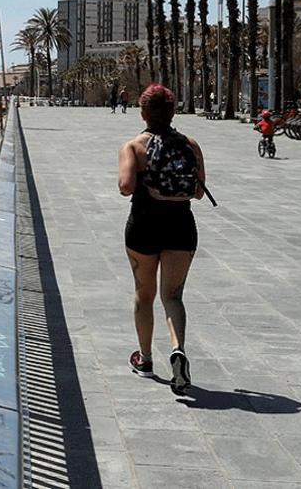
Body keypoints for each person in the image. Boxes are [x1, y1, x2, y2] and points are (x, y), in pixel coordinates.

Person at [118, 84, 205, 395]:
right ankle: (178, 349)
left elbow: (126, 187)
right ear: (173, 112)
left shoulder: (134, 147)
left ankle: (145, 358)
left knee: (144, 295)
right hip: (181, 227)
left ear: (143, 113)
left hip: (143, 226)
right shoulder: (191, 145)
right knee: (173, 296)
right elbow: (197, 191)